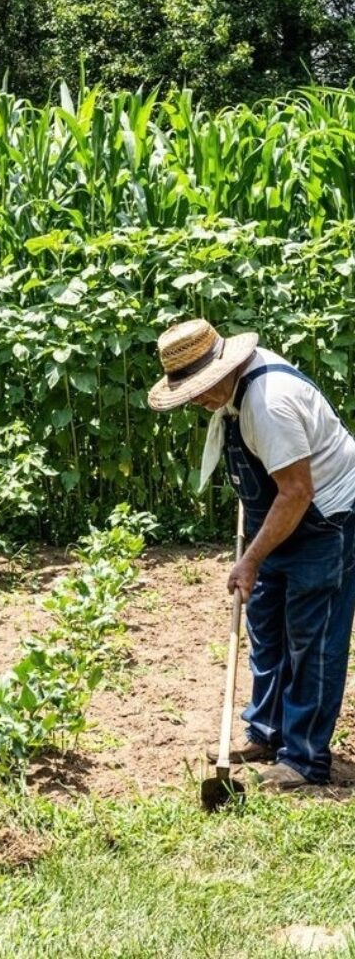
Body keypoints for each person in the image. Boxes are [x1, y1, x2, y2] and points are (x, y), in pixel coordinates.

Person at [148, 318, 355, 790]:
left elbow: (297, 491)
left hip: (326, 518)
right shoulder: (233, 394)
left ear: (224, 367)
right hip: (284, 517)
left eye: (199, 389)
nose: (197, 400)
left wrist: (252, 559)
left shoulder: (268, 403)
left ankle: (304, 759)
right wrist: (258, 552)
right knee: (265, 622)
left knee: (311, 638)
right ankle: (267, 732)